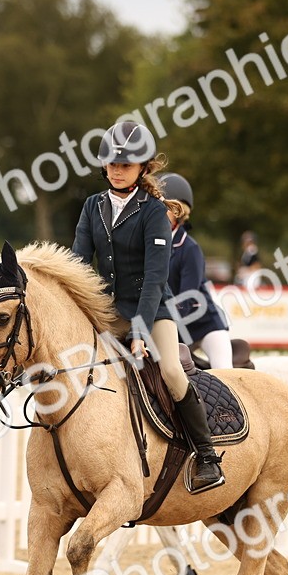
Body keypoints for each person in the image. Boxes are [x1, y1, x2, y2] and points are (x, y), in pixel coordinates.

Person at [71, 120, 224, 493]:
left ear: (142, 168)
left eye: (126, 164)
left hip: (152, 310)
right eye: (112, 164)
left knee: (171, 370)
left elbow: (156, 276)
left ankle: (205, 455)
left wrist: (140, 328)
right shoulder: (93, 207)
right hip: (108, 312)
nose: (118, 170)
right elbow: (77, 262)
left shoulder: (154, 211)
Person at [157, 172, 232, 370]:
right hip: (175, 328)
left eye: (165, 208)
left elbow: (189, 300)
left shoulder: (190, 249)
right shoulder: (151, 246)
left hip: (205, 326)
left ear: (179, 212)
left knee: (224, 372)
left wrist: (160, 320)